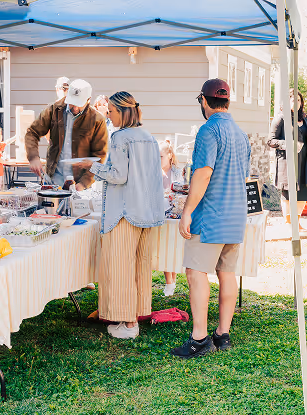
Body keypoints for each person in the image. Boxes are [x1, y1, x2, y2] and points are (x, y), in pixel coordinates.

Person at [170, 79, 251, 358]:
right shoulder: (241, 134)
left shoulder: (208, 130)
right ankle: (223, 334)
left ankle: (199, 338)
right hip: (236, 213)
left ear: (204, 101)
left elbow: (203, 173)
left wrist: (187, 211)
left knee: (195, 272)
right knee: (227, 273)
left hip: (212, 214)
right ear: (227, 102)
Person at [76, 91, 165, 339]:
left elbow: (118, 175)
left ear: (123, 112)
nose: (109, 116)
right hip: (146, 212)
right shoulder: (148, 137)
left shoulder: (120, 137)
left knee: (120, 268)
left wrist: (90, 166)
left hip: (124, 213)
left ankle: (127, 323)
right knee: (140, 266)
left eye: (112, 112)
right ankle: (135, 315)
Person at [25, 79, 108, 190]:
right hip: (53, 179)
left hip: (80, 183)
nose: (75, 108)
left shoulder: (97, 120)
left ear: (88, 100)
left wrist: (84, 183)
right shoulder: (54, 110)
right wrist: (33, 157)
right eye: (72, 103)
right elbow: (32, 133)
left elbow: (99, 156)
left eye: (79, 104)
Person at [267, 90, 307, 234]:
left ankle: (297, 224)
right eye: (293, 100)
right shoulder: (281, 119)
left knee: (302, 193)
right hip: (288, 161)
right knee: (288, 193)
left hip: (304, 161)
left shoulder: (304, 119)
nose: (296, 103)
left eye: (298, 100)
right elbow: (270, 141)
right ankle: (289, 225)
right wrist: (287, 144)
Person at [158, 138, 182, 296]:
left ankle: (173, 279)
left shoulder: (177, 172)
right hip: (161, 213)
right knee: (165, 246)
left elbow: (180, 190)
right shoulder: (154, 172)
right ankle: (169, 282)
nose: (157, 160)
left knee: (174, 246)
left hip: (175, 212)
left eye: (160, 157)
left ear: (170, 156)